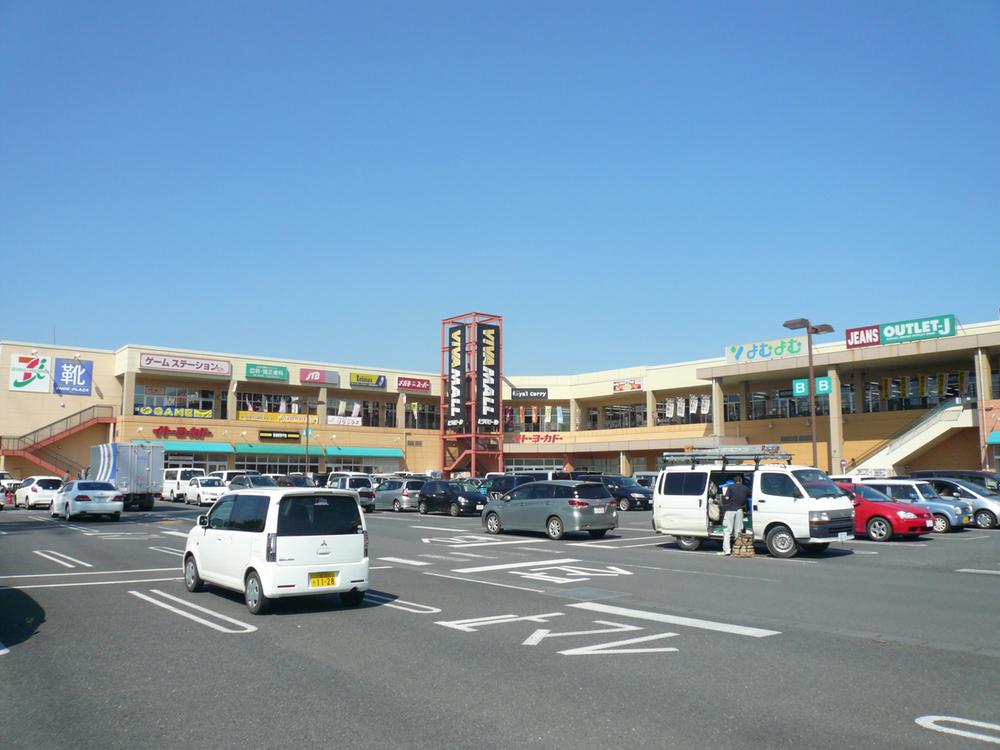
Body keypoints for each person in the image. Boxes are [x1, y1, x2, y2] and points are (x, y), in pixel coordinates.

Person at [721, 474, 750, 556]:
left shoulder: (730, 487)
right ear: (740, 480)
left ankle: (727, 550)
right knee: (738, 530)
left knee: (727, 530)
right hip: (739, 510)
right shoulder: (745, 488)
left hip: (730, 510)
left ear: (734, 481)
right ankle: (737, 550)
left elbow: (726, 498)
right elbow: (749, 496)